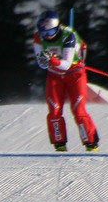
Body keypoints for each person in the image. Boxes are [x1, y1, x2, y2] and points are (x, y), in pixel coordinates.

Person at [32, 10, 100, 153]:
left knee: (78, 110)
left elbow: (66, 65)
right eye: (43, 33)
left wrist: (51, 59)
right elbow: (41, 64)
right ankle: (60, 145)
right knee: (54, 111)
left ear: (57, 27)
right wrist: (45, 60)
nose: (47, 36)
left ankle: (91, 144)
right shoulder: (38, 38)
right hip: (54, 76)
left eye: (50, 32)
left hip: (75, 75)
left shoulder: (68, 36)